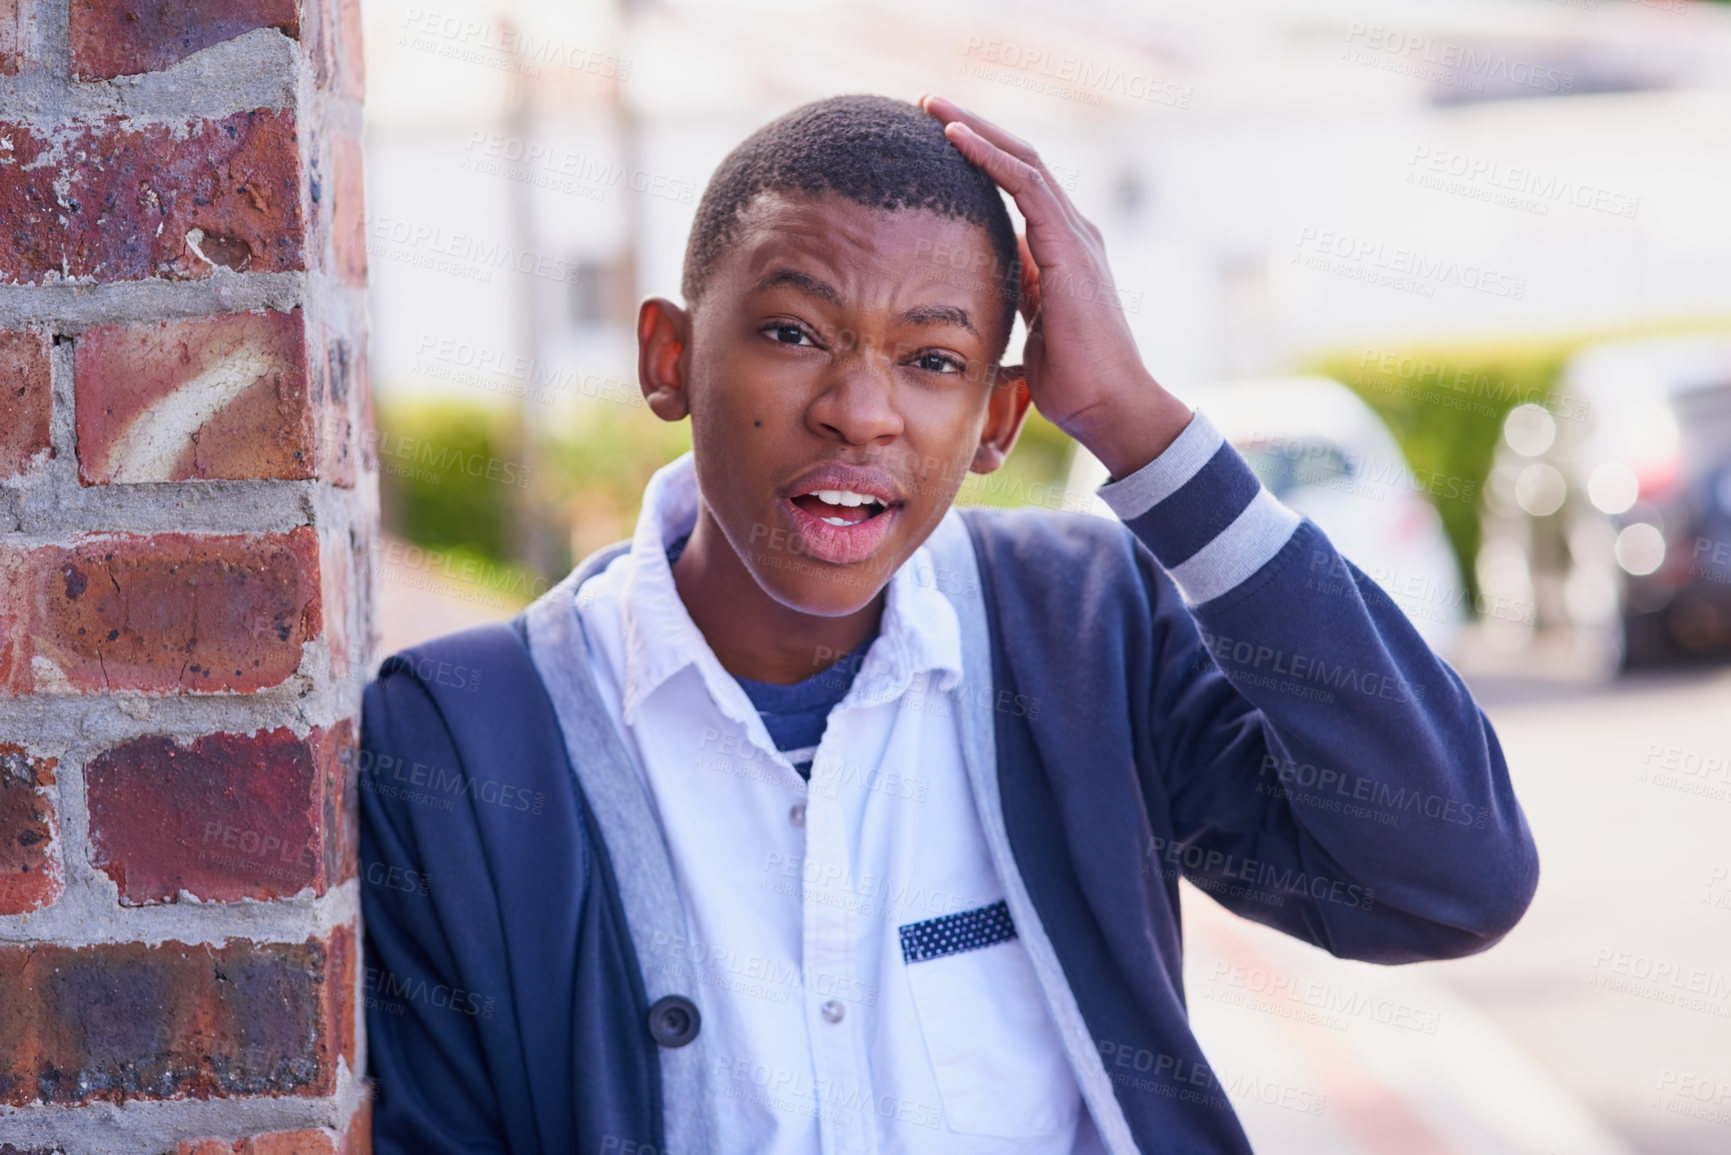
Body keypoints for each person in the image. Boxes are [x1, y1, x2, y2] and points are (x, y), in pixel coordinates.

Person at [357, 92, 1540, 1154]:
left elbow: (1447, 876)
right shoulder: (464, 745)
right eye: (793, 333)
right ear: (669, 357)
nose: (860, 412)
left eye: (933, 357)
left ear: (997, 420)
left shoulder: (1082, 634)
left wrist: (1139, 427)